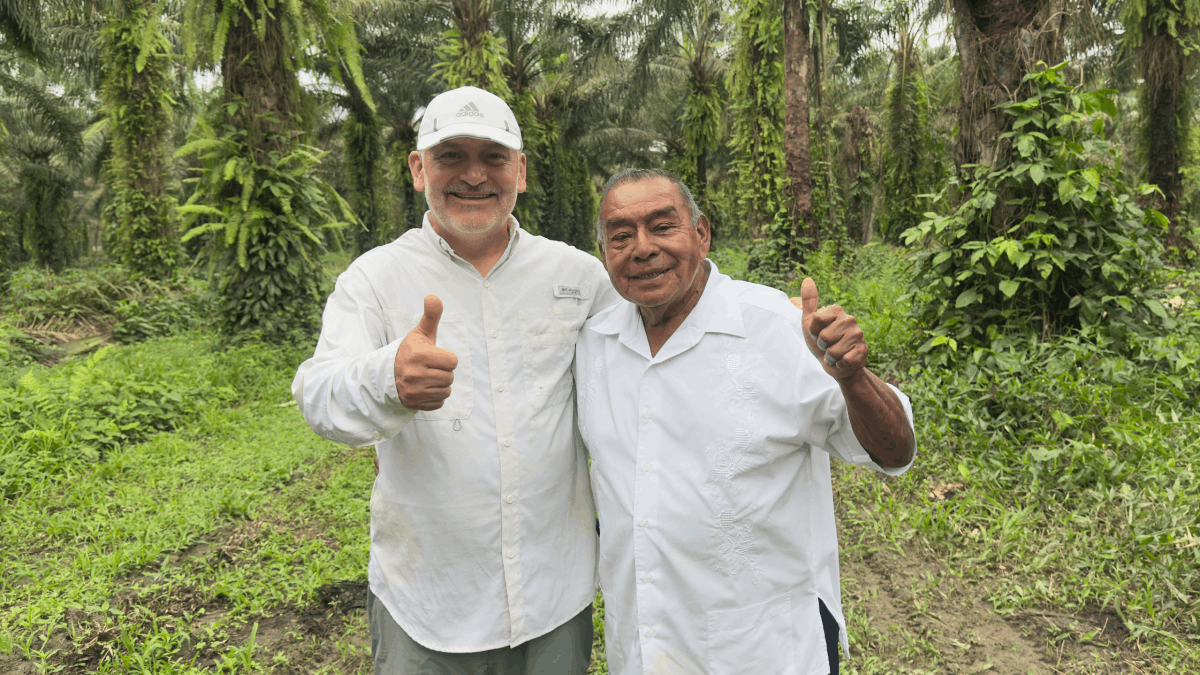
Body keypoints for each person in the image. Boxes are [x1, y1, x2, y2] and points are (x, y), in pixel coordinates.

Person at [292, 86, 622, 674]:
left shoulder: (579, 276)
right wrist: (386, 378)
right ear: (419, 169)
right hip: (428, 601)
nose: (474, 175)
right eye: (451, 156)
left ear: (520, 171)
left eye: (493, 157)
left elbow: (639, 376)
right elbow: (317, 393)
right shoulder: (374, 279)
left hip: (555, 595)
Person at [575, 168, 917, 675]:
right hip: (644, 645)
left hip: (767, 648)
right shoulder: (594, 344)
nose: (642, 249)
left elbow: (896, 451)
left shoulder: (775, 328)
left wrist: (854, 378)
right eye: (621, 236)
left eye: (662, 226)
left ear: (702, 232)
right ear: (604, 253)